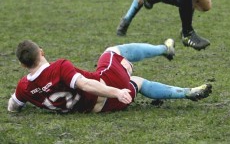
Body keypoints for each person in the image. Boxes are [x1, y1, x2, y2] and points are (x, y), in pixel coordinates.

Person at [7, 39, 212, 113]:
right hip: (107, 87)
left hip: (100, 109)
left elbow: (13, 106)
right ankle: (164, 49)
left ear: (21, 64)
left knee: (138, 83)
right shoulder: (59, 67)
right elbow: (86, 84)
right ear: (41, 52)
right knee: (113, 51)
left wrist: (16, 105)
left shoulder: (23, 87)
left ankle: (186, 92)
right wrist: (117, 91)